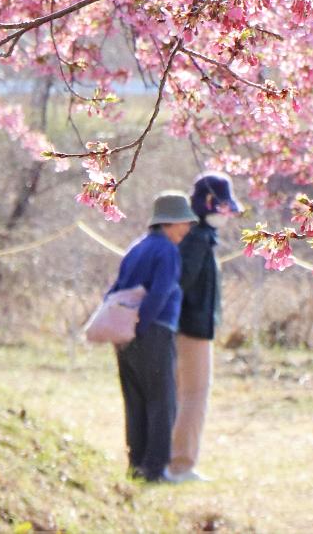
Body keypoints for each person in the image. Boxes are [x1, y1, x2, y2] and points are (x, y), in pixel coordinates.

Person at [108, 190, 195, 482]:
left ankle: (136, 464)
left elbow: (115, 291)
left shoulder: (136, 248)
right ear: (169, 223)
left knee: (135, 400)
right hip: (154, 332)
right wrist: (142, 326)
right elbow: (160, 292)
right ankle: (155, 469)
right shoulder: (167, 251)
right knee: (162, 401)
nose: (187, 229)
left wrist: (122, 329)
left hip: (124, 336)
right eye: (184, 222)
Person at [168, 171, 243, 482]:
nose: (227, 217)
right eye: (223, 208)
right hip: (192, 329)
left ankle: (174, 461)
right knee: (194, 394)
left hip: (187, 327)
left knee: (184, 393)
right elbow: (182, 283)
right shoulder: (198, 240)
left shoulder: (196, 238)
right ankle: (181, 464)